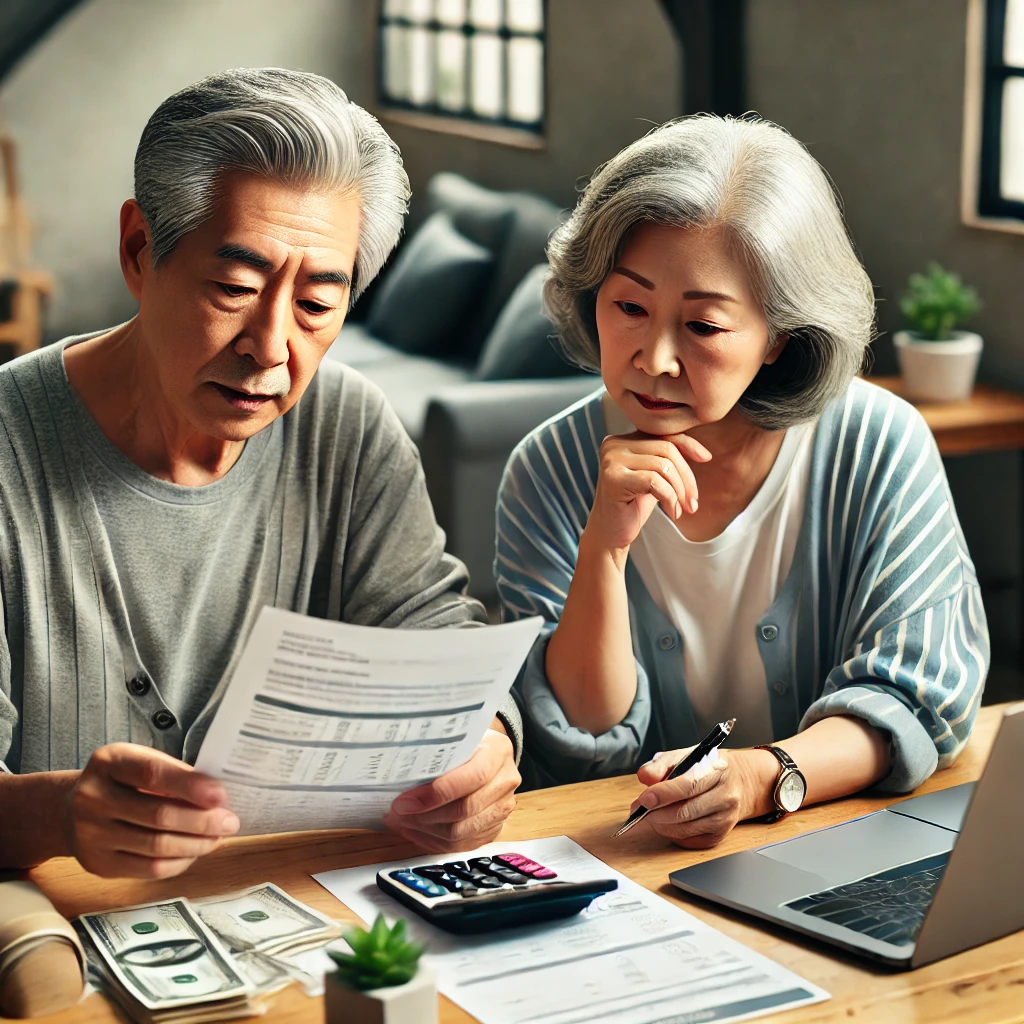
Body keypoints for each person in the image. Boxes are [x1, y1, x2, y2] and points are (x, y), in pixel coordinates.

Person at [0, 68, 523, 878]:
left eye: (318, 305)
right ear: (140, 250)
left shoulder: (347, 427)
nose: (272, 347)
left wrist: (483, 745)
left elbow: (435, 635)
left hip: (307, 910)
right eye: (234, 287)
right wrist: (59, 815)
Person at [496, 115, 989, 848]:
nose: (653, 358)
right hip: (624, 864)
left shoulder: (877, 443)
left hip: (837, 844)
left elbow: (916, 699)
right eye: (629, 307)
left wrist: (761, 776)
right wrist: (604, 545)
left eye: (703, 327)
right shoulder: (549, 466)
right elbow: (578, 735)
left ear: (779, 337)